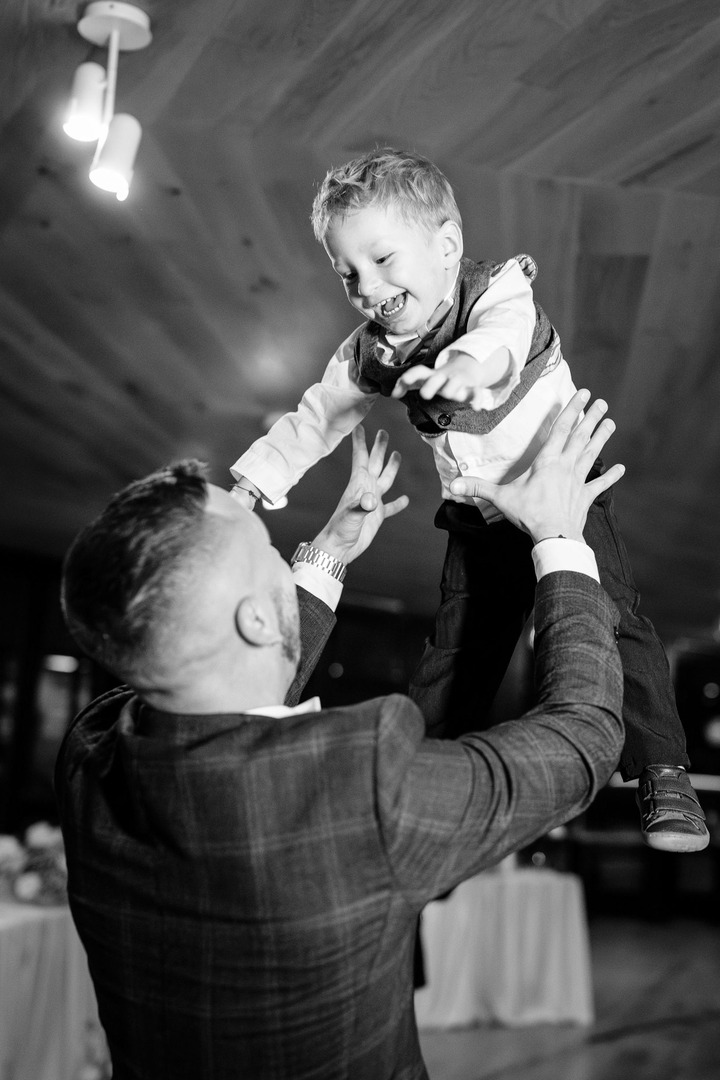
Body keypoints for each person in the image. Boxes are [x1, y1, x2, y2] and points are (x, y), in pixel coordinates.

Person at [56, 392, 624, 1080]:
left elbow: (219, 685)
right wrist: (561, 539)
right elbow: (581, 738)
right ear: (257, 623)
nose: (277, 552)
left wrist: (326, 554)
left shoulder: (91, 753)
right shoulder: (364, 789)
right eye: (267, 547)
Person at [229, 147, 707, 853]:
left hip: (559, 492)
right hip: (477, 515)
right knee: (458, 646)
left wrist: (460, 367)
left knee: (611, 618)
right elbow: (317, 416)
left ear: (447, 246)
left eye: (385, 260)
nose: (366, 286)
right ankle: (419, 772)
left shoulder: (499, 294)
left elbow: (500, 345)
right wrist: (252, 485)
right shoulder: (369, 352)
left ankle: (661, 769)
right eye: (348, 273)